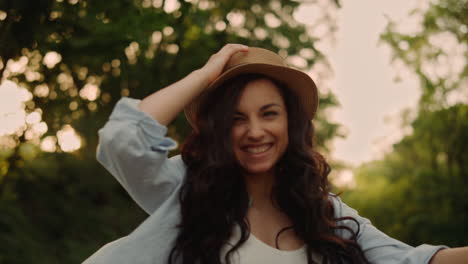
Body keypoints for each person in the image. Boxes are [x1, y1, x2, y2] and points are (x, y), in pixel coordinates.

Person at [83, 44, 467, 263]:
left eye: (269, 114)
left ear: (290, 122)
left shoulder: (325, 213)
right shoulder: (186, 188)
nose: (254, 132)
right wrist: (206, 75)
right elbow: (122, 140)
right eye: (236, 119)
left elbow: (413, 262)